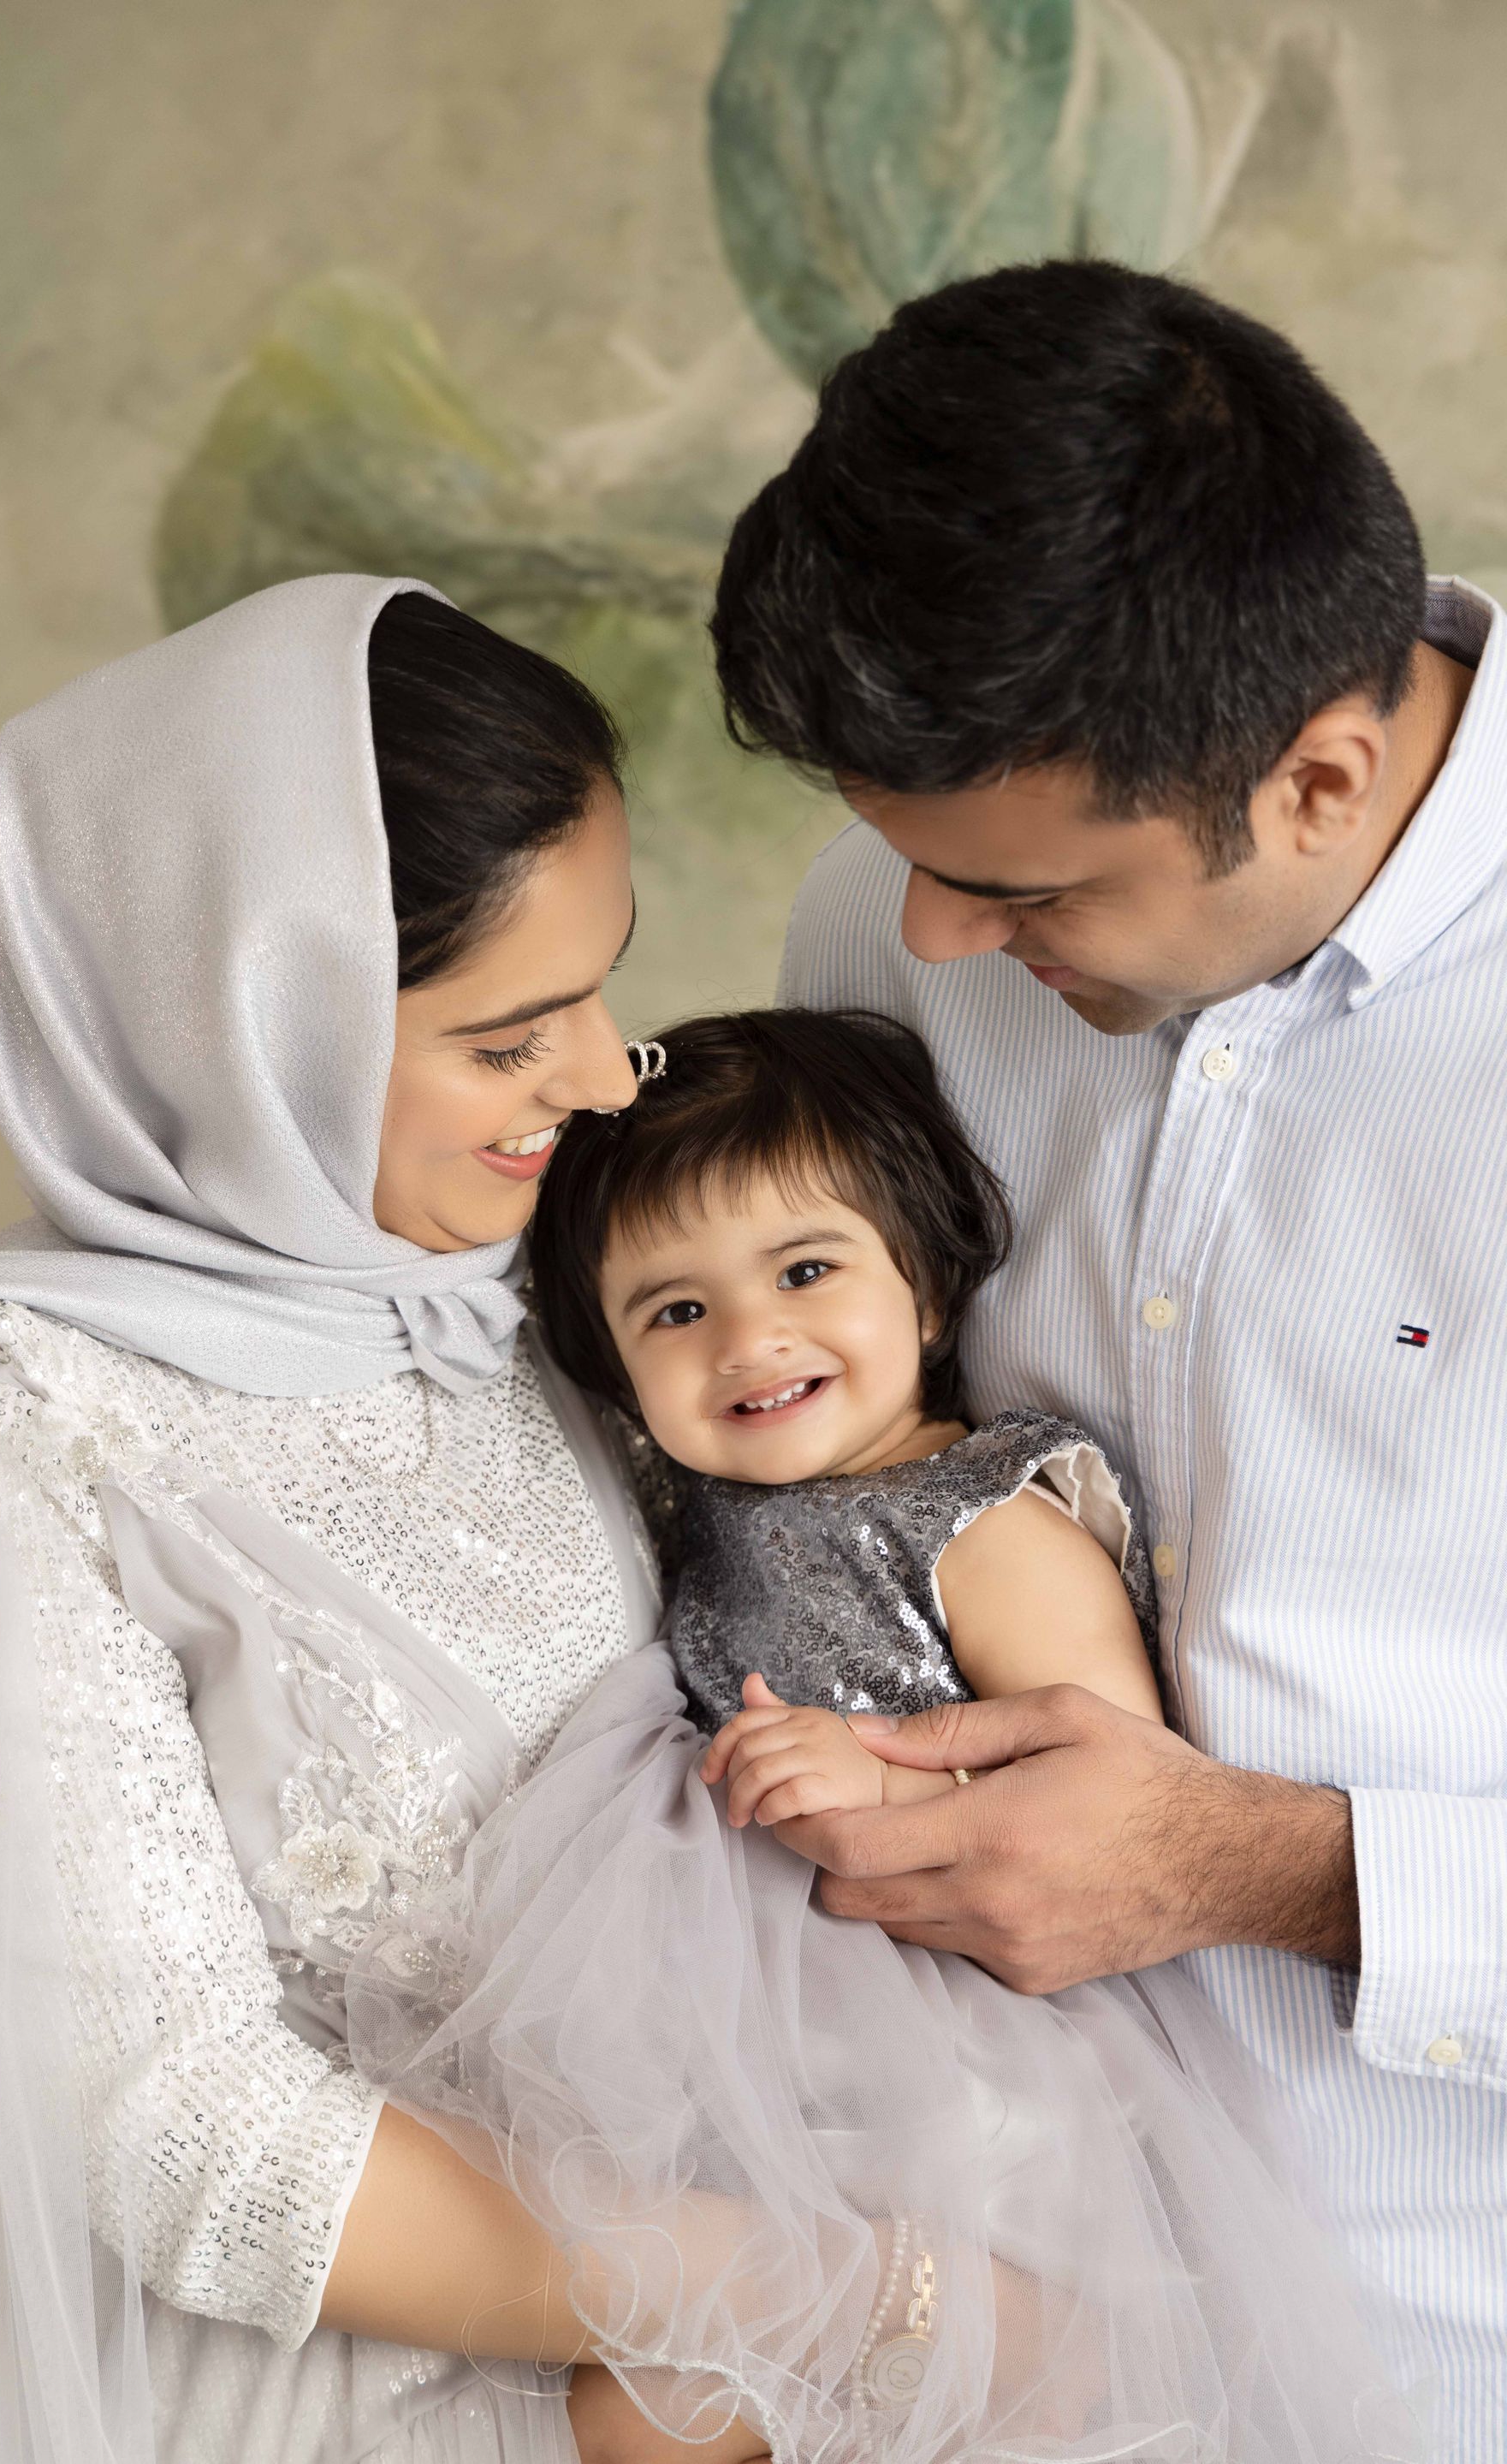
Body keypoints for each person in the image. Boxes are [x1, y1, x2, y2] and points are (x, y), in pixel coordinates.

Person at [707, 255, 1507, 2455]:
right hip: (1014, 2294)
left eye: (1031, 896)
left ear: (1325, 776)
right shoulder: (893, 915)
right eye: (918, 870)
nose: (940, 941)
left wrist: (1263, 1866)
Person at [353, 1003, 1425, 2464]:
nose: (749, 1336)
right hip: (763, 2049)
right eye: (674, 1312)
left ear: (925, 1292)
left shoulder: (977, 1522)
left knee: (685, 2410)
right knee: (626, 2393)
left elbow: (1104, 1780)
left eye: (805, 1270)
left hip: (969, 2065)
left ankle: (1037, 2374)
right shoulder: (694, 1503)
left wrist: (877, 1766)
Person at [0, 573, 667, 2463]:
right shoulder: (7, 1412)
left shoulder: (541, 1294)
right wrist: (820, 2294)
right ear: (243, 1023)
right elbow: (158, 2118)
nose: (606, 1069)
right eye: (507, 1035)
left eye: (607, 976)